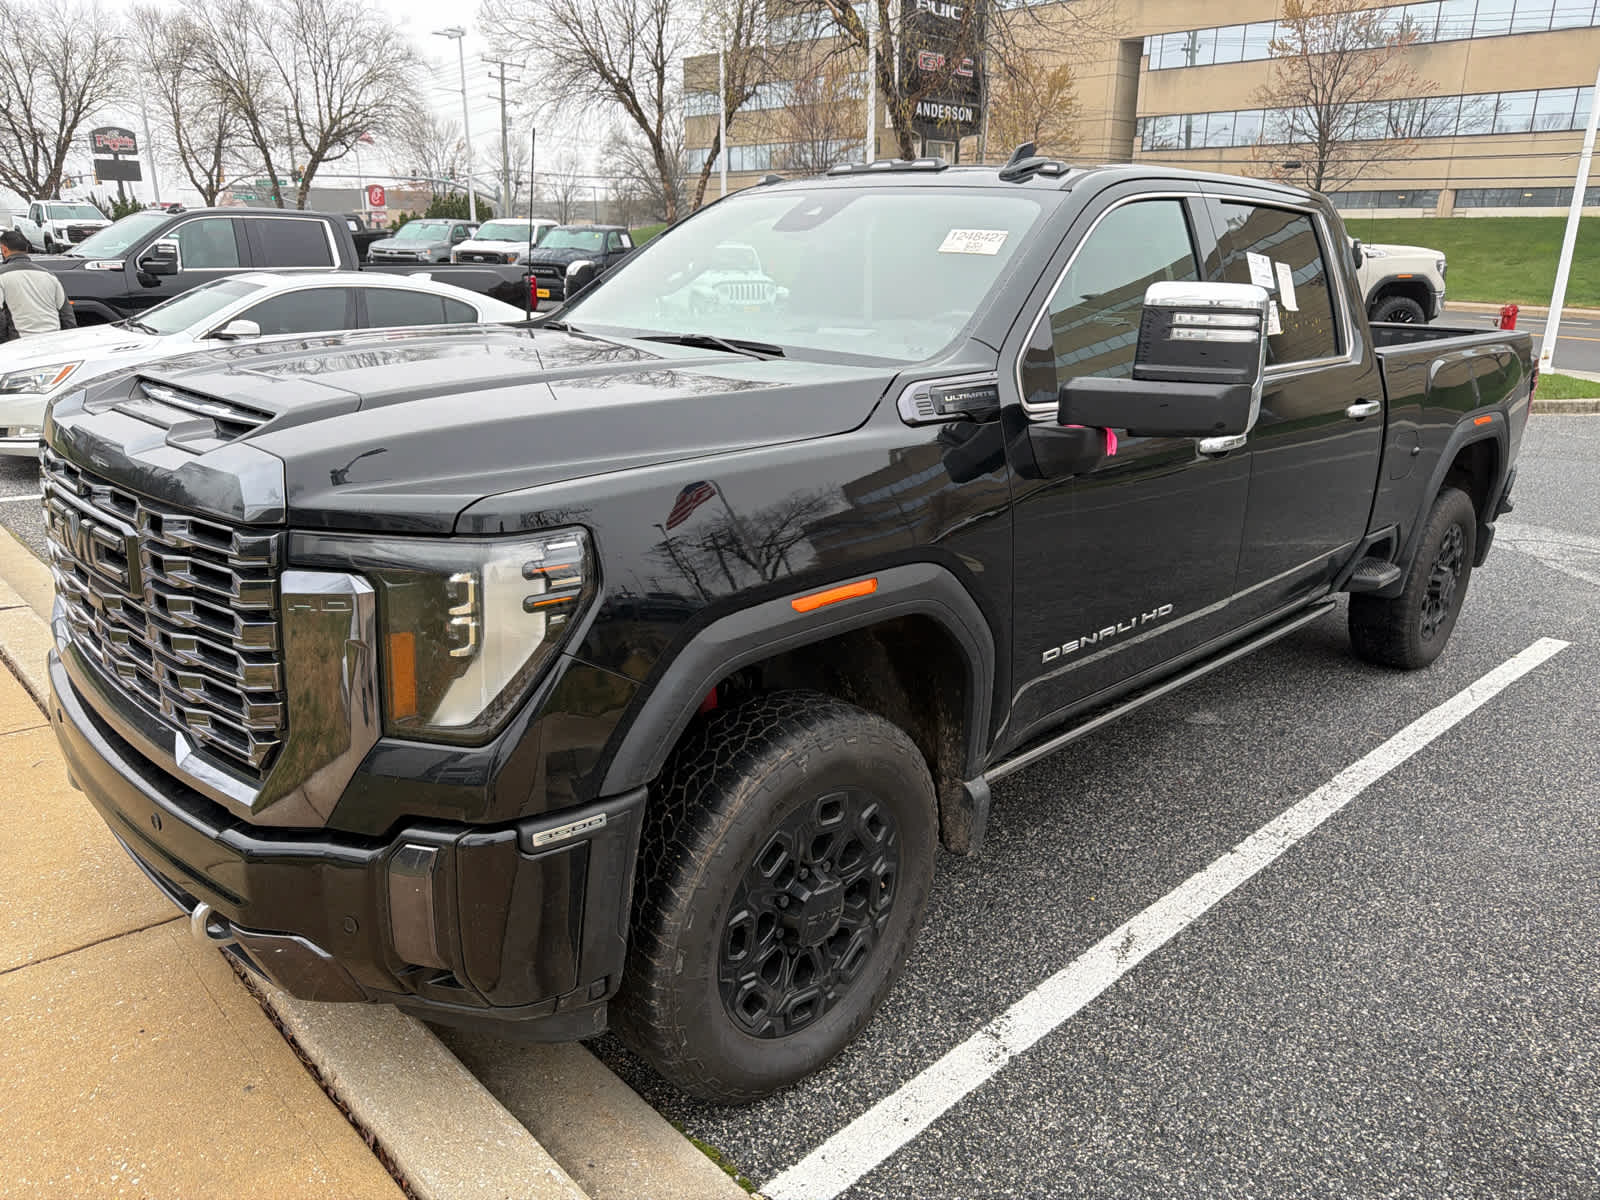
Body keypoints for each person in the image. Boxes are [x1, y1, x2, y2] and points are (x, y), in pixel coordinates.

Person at [0, 228, 75, 341]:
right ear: (26, 249)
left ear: (4, 249)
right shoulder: (49, 275)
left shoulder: (2, 275)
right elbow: (67, 316)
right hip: (54, 342)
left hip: (19, 344)